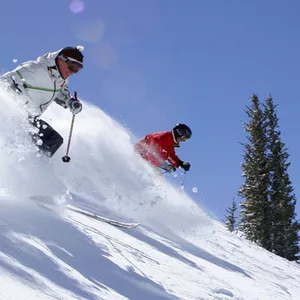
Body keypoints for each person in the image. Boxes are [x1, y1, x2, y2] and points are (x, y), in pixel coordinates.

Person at [0, 46, 84, 157]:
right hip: (15, 114)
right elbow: (5, 80)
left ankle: (37, 165)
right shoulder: (35, 68)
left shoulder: (61, 80)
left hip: (30, 118)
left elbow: (60, 92)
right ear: (61, 60)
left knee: (54, 140)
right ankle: (26, 161)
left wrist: (71, 102)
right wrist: (13, 95)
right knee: (50, 139)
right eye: (72, 67)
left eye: (77, 70)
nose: (73, 72)